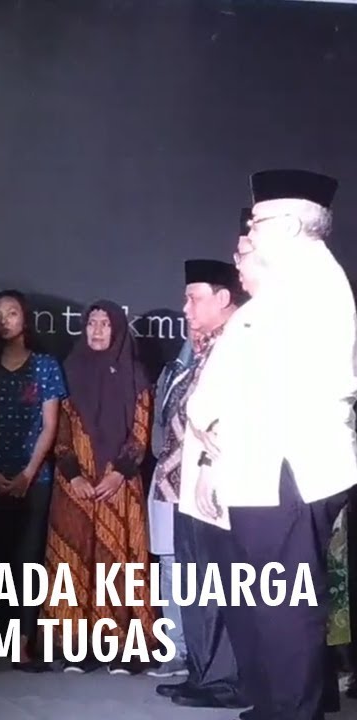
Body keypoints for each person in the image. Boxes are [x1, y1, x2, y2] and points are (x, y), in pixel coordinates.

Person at [187, 169, 357, 720]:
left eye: (257, 222)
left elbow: (267, 389)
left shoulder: (310, 285)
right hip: (261, 467)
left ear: (287, 225)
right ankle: (272, 707)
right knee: (265, 602)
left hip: (285, 468)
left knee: (282, 607)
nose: (248, 232)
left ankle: (290, 711)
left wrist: (215, 442)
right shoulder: (290, 283)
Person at [152, 256, 247, 708]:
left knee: (217, 583)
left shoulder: (240, 344)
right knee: (193, 582)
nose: (185, 308)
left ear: (223, 298)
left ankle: (224, 680)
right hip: (185, 486)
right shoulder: (200, 352)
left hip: (220, 486)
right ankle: (202, 671)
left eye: (194, 298)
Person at [43, 300, 154, 674]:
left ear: (118, 329)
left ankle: (123, 647)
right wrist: (73, 473)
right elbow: (59, 430)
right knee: (73, 559)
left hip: (117, 483)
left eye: (105, 323)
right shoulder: (70, 369)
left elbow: (140, 431)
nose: (97, 330)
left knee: (117, 560)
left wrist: (118, 472)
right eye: (92, 322)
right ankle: (77, 646)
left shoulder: (135, 374)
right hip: (74, 483)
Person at [0, 289, 66, 666]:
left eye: (12, 313)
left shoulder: (45, 365)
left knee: (26, 562)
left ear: (25, 318)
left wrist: (28, 473)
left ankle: (21, 643)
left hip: (32, 480)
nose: (4, 321)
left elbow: (50, 425)